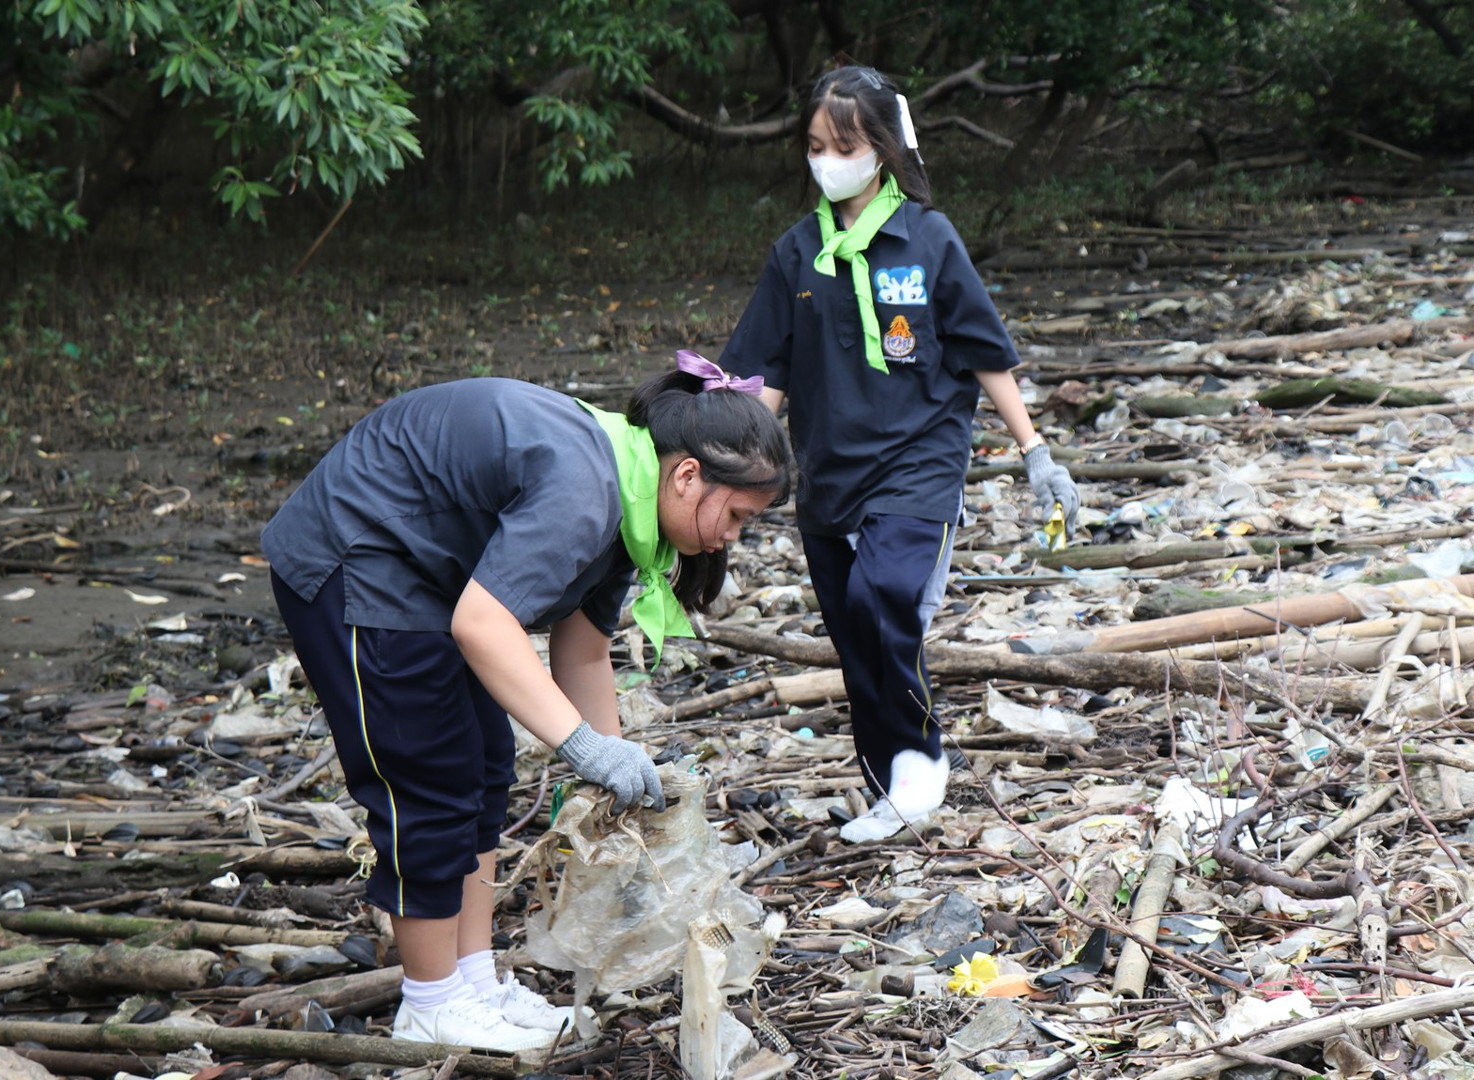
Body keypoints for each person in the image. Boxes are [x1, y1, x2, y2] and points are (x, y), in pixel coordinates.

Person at [261, 355, 792, 1051]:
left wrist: (614, 783)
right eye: (739, 516)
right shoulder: (586, 488)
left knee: (484, 768)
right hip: (359, 562)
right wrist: (584, 746)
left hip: (430, 579)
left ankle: (472, 980)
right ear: (688, 474)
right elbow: (483, 624)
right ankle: (428, 1004)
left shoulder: (633, 503)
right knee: (429, 780)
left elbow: (584, 650)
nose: (732, 537)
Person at [720, 65, 1079, 845]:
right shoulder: (798, 254)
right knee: (853, 640)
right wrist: (735, 473)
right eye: (815, 145)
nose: (825, 159)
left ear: (880, 148)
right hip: (828, 471)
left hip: (919, 461)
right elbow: (766, 374)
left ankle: (923, 753)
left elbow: (985, 352)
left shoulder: (928, 237)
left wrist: (1036, 453)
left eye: (842, 144)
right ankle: (890, 790)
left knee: (884, 596)